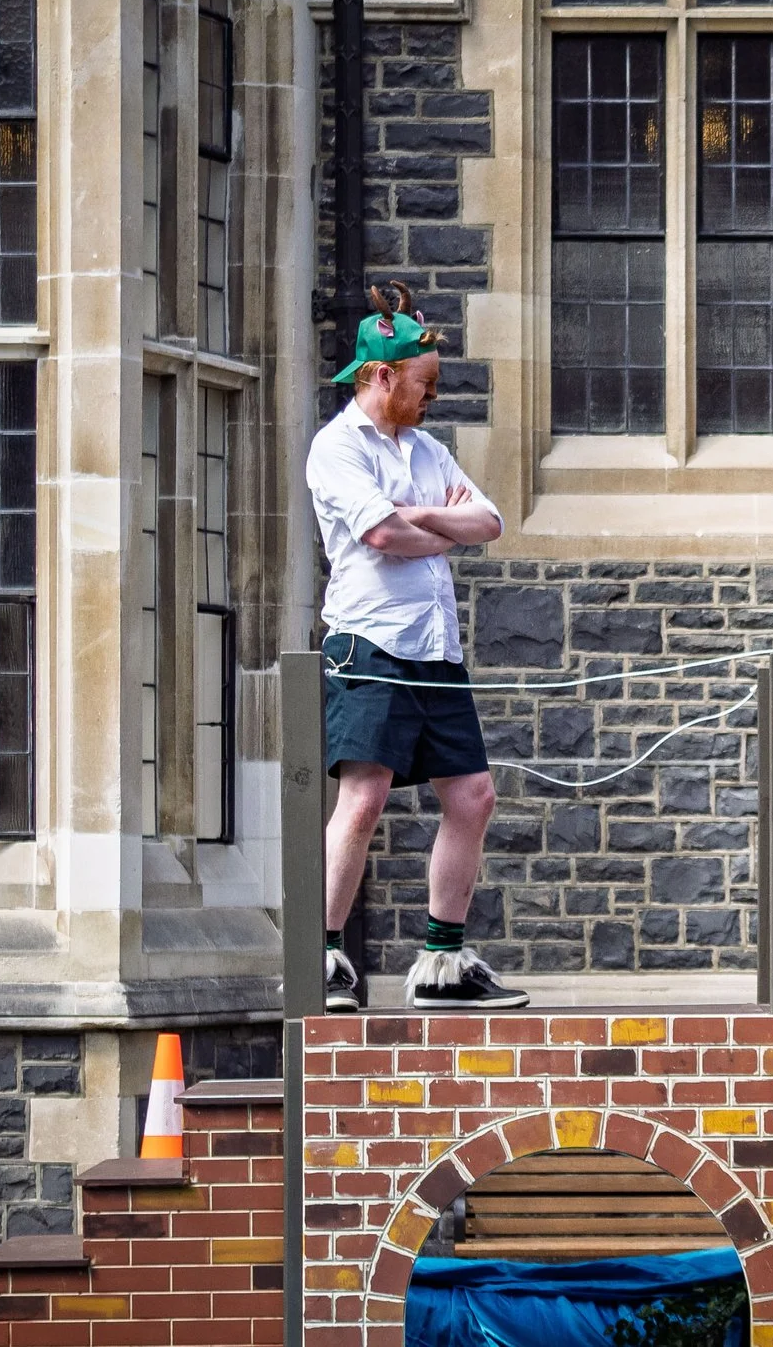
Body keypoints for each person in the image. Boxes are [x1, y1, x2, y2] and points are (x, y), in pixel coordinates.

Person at [304, 283, 527, 1012]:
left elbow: (489, 522)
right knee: (364, 797)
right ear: (382, 376)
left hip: (436, 648)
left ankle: (443, 963)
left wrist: (419, 515)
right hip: (370, 642)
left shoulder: (428, 450)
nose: (434, 395)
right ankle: (321, 957)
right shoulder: (337, 448)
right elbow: (381, 535)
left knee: (473, 796)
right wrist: (435, 526)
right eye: (424, 383)